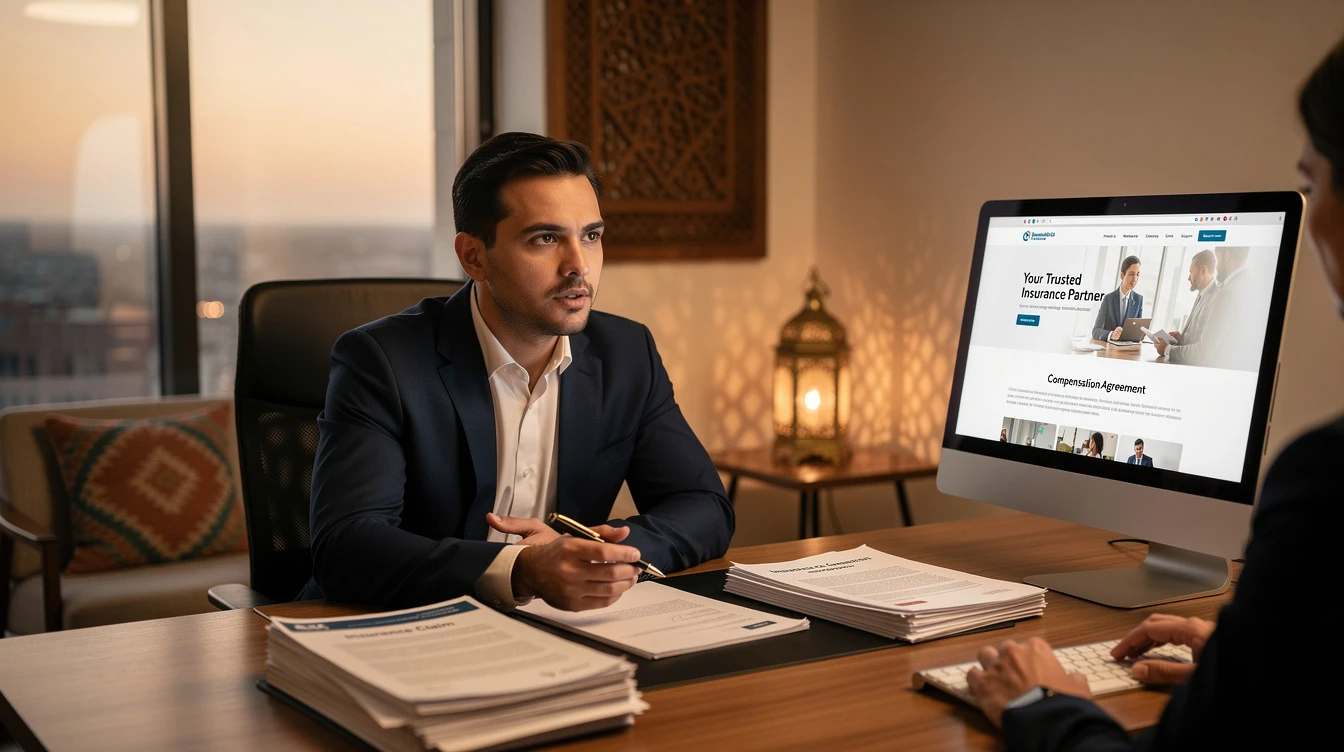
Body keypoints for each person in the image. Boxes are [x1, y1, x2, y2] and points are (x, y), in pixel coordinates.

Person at [963, 37, 1344, 750]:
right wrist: (1253, 656)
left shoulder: (1326, 478)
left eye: (1314, 184)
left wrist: (1043, 703)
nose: (1313, 212)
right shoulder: (1114, 297)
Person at [302, 133, 735, 612]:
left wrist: (604, 555)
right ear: (474, 257)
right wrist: (521, 569)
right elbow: (347, 546)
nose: (578, 266)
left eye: (591, 236)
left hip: (562, 627)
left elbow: (705, 507)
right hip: (403, 625)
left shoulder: (627, 353)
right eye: (545, 239)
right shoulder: (382, 360)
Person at [1155, 250, 1218, 363]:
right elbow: (1198, 336)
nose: (1189, 278)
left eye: (1191, 272)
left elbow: (1203, 350)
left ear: (1203, 271)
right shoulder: (1202, 294)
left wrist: (1167, 349)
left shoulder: (1216, 299)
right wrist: (1181, 338)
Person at [1090, 256, 1143, 341]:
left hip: (1127, 351)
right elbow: (1095, 331)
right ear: (1122, 275)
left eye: (1137, 274)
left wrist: (1142, 334)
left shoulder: (1139, 300)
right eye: (1131, 274)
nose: (1135, 279)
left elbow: (1137, 331)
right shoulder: (1108, 299)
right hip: (1109, 350)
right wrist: (1111, 334)